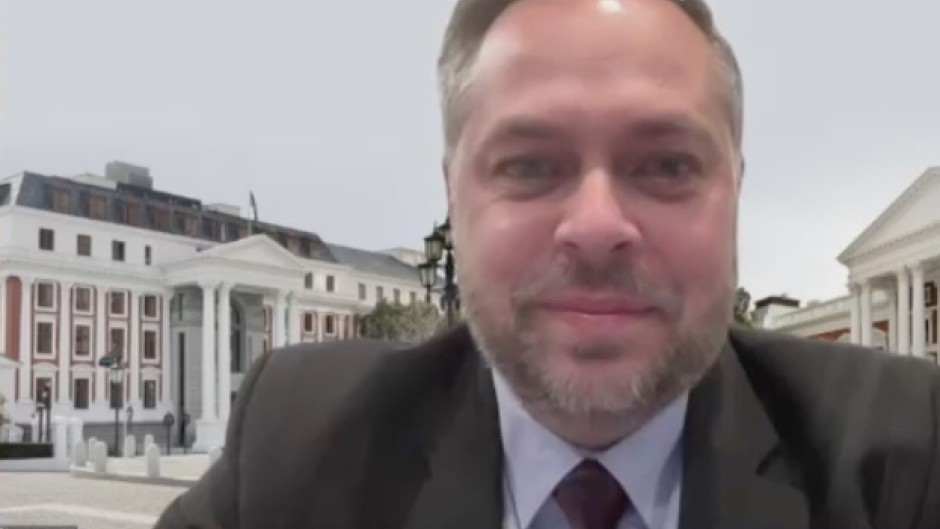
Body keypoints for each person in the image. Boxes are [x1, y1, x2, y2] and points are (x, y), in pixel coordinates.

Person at [155, 0, 940, 528]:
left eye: (667, 164)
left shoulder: (907, 455)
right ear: (455, 197)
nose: (596, 227)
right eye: (530, 165)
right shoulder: (300, 442)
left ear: (735, 191)